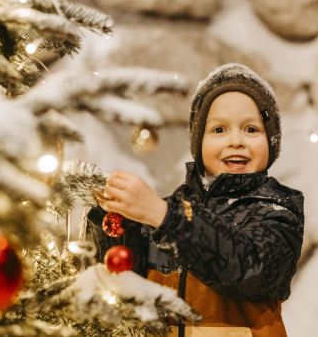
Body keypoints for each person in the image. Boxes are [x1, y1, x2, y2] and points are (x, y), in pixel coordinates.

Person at [88, 63, 304, 337]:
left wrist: (165, 216)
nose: (236, 141)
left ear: (271, 142)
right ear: (198, 142)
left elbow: (249, 270)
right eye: (219, 130)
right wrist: (111, 217)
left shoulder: (277, 209)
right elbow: (123, 274)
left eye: (251, 129)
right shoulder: (170, 209)